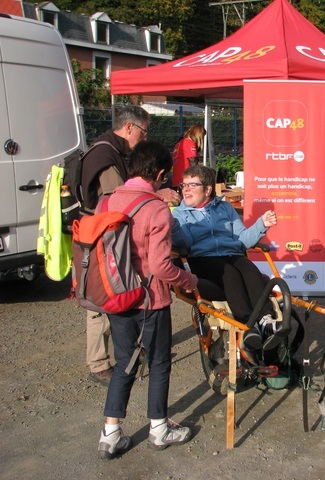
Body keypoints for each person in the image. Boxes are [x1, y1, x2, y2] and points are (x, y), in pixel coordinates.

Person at [98, 140, 198, 459]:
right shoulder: (155, 208)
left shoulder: (107, 202)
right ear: (158, 173)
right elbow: (159, 266)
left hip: (114, 294)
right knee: (158, 362)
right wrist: (190, 281)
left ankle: (110, 433)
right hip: (149, 299)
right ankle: (159, 428)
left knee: (124, 363)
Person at [81, 106, 181, 387]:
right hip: (105, 242)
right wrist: (153, 195)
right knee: (104, 300)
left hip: (108, 240)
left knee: (112, 299)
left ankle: (125, 357)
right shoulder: (105, 155)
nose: (144, 137)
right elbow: (117, 199)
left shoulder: (111, 151)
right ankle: (101, 363)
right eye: (144, 131)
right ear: (129, 128)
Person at [171, 165, 278, 349]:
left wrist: (262, 224)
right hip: (201, 257)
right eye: (184, 185)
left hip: (231, 253)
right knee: (228, 272)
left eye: (192, 185)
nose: (185, 189)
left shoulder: (225, 208)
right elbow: (185, 245)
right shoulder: (180, 213)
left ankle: (266, 319)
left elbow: (243, 240)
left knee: (248, 268)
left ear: (207, 189)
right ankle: (245, 324)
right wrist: (173, 224)